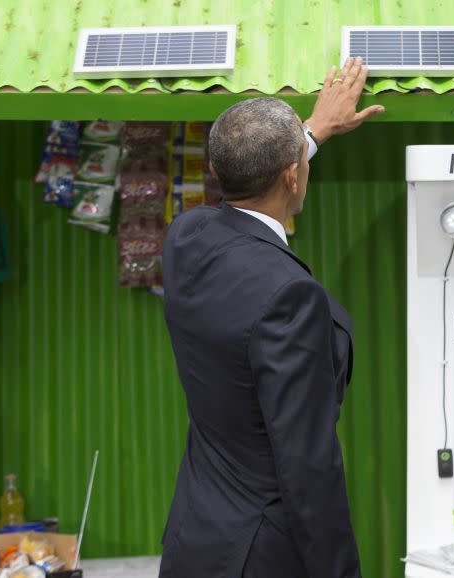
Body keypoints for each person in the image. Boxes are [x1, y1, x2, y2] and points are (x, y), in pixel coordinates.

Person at [158, 57, 383, 578]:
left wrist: (312, 132)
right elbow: (308, 466)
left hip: (196, 542)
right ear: (292, 174)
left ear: (217, 171)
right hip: (261, 558)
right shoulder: (289, 298)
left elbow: (256, 173)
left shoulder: (185, 238)